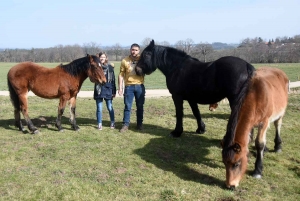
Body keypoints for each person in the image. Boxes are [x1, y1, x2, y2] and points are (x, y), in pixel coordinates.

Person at [118, 43, 145, 132]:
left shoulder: (143, 59)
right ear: (130, 50)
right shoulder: (125, 60)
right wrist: (120, 87)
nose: (134, 51)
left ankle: (139, 125)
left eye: (136, 50)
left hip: (140, 86)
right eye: (133, 49)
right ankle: (125, 125)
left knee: (140, 106)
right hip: (128, 86)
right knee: (127, 106)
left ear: (139, 51)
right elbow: (121, 74)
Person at [93, 52, 116, 130]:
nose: (102, 58)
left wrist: (114, 92)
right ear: (98, 58)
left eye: (103, 57)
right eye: (100, 57)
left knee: (110, 107)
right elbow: (92, 79)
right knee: (99, 108)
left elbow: (113, 80)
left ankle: (112, 122)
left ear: (106, 58)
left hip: (108, 90)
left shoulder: (110, 68)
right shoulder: (96, 68)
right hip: (99, 90)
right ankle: (99, 124)